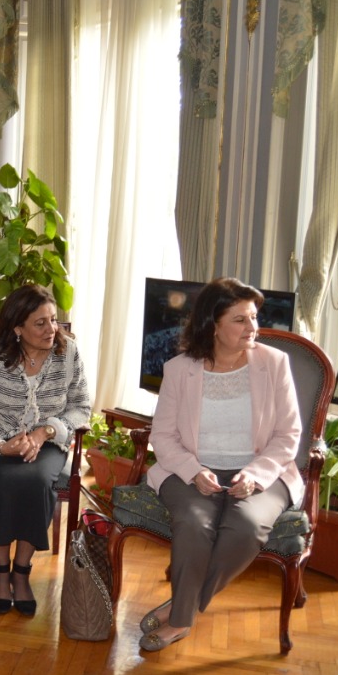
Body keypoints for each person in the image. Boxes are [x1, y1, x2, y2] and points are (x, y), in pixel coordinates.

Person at [136, 277, 301, 652]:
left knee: (245, 526)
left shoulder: (274, 363)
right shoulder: (180, 369)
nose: (253, 328)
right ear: (213, 324)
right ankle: (179, 620)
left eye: (254, 318)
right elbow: (162, 437)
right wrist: (193, 470)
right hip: (190, 469)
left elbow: (289, 434)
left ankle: (183, 606)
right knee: (193, 523)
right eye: (240, 320)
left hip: (263, 470)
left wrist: (256, 475)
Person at [0, 285, 91, 616]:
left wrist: (46, 432)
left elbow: (81, 407)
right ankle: (1, 570)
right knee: (3, 481)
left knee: (36, 482)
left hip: (48, 442)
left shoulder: (68, 354)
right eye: (40, 323)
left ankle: (21, 571)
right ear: (17, 329)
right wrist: (0, 444)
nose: (51, 330)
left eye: (53, 320)